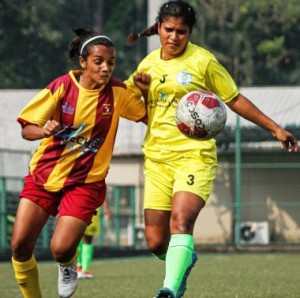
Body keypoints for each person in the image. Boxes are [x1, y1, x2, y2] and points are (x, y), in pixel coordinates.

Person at [125, 1, 298, 298]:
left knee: (181, 221)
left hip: (195, 156)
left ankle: (169, 289)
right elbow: (130, 107)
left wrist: (275, 129)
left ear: (190, 32)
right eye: (169, 30)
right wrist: (141, 93)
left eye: (182, 31)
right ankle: (183, 260)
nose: (175, 37)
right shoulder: (147, 65)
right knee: (155, 243)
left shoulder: (203, 61)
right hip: (157, 159)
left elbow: (234, 99)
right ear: (159, 29)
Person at [10, 28, 150, 298]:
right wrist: (43, 130)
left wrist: (143, 93)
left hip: (85, 183)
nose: (106, 67)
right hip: (44, 176)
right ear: (83, 62)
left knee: (60, 249)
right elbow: (27, 129)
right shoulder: (61, 86)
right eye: (99, 61)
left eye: (111, 62)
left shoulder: (118, 93)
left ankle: (68, 264)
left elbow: (145, 116)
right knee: (19, 247)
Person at [76, 199, 112, 279]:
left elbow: (102, 190)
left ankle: (86, 269)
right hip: (78, 205)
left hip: (93, 208)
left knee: (88, 238)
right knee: (78, 235)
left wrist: (106, 208)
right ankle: (78, 267)